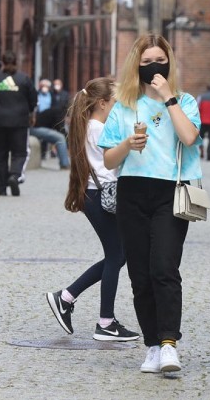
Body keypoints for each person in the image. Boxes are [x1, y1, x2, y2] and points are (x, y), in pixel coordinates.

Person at [99, 34, 201, 374]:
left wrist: (168, 97)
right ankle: (153, 345)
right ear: (136, 67)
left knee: (164, 268)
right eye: (146, 63)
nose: (153, 67)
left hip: (170, 191)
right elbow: (110, 160)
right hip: (132, 191)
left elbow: (189, 137)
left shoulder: (184, 101)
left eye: (159, 60)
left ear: (169, 63)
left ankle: (170, 343)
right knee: (140, 274)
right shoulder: (123, 105)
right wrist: (129, 143)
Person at [46, 77, 140, 342]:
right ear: (102, 103)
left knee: (117, 255)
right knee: (116, 255)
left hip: (94, 194)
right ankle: (105, 322)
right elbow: (114, 162)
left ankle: (66, 298)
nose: (118, 106)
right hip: (102, 195)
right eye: (115, 101)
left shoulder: (88, 125)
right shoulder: (99, 128)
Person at [0, 51, 37, 196]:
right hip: (19, 121)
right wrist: (31, 114)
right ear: (16, 61)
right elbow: (33, 100)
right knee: (19, 152)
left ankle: (1, 186)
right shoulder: (24, 79)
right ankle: (14, 175)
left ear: (2, 62)